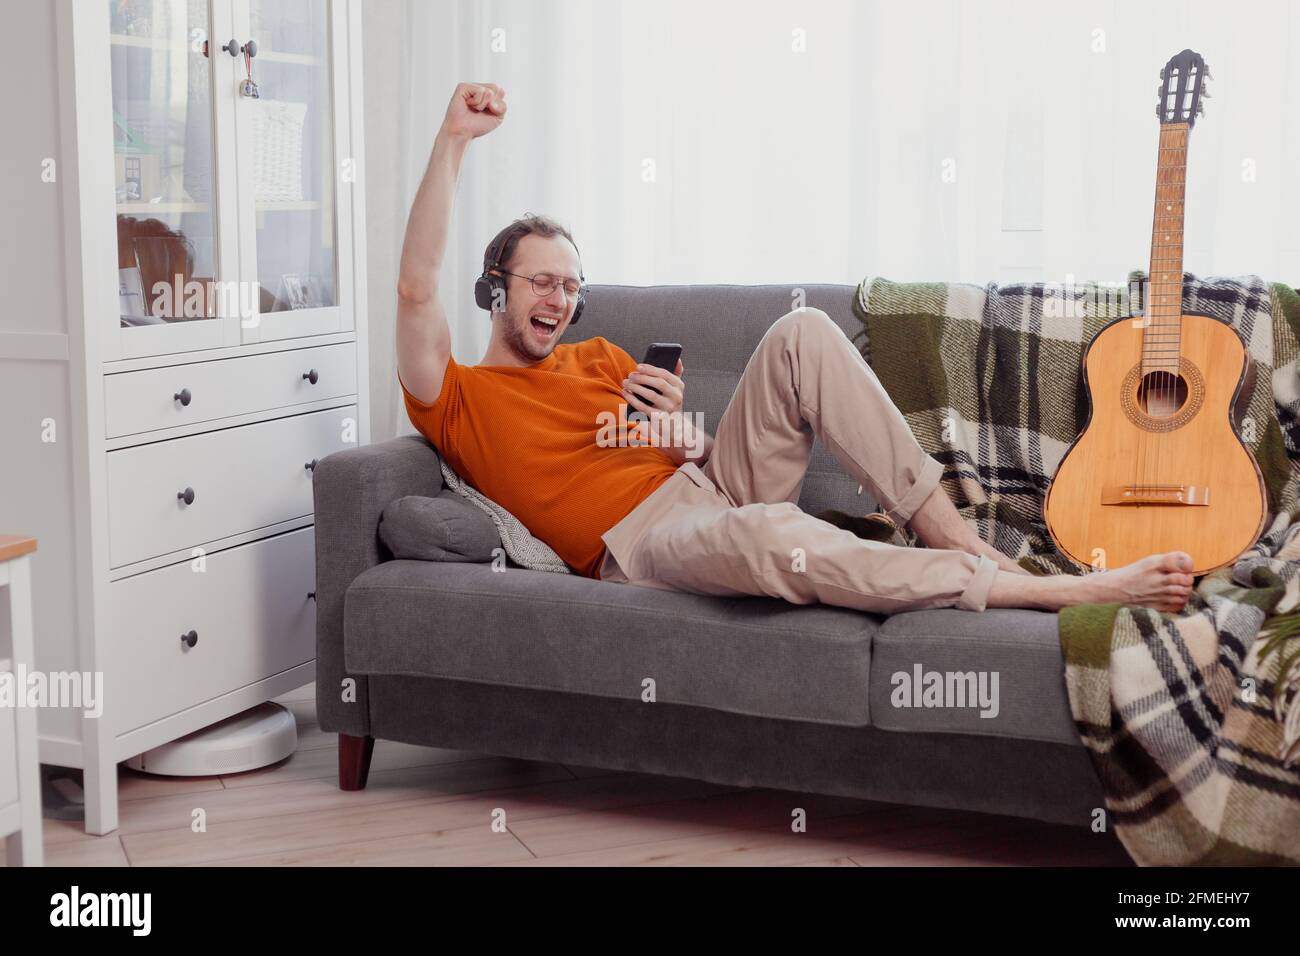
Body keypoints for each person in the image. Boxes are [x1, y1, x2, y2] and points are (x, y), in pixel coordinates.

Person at [395, 82, 1195, 615]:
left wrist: (679, 430)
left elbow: (697, 452)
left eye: (570, 286)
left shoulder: (599, 355)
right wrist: (452, 138)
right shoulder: (456, 396)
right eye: (540, 283)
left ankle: (956, 536)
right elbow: (416, 289)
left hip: (711, 483)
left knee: (803, 331)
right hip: (644, 543)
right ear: (496, 286)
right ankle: (1049, 595)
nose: (559, 301)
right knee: (771, 536)